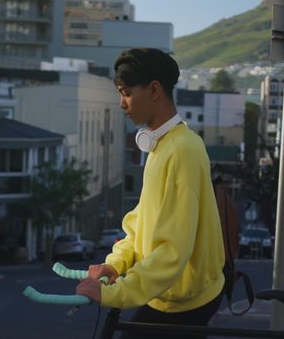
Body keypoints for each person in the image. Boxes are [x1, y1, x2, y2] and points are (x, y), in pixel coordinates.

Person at [76, 48, 225, 338]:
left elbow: (173, 250)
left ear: (154, 89)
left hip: (186, 301)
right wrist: (115, 264)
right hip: (167, 294)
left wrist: (116, 294)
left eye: (127, 92)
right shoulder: (162, 146)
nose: (122, 103)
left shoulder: (183, 150)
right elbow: (140, 224)